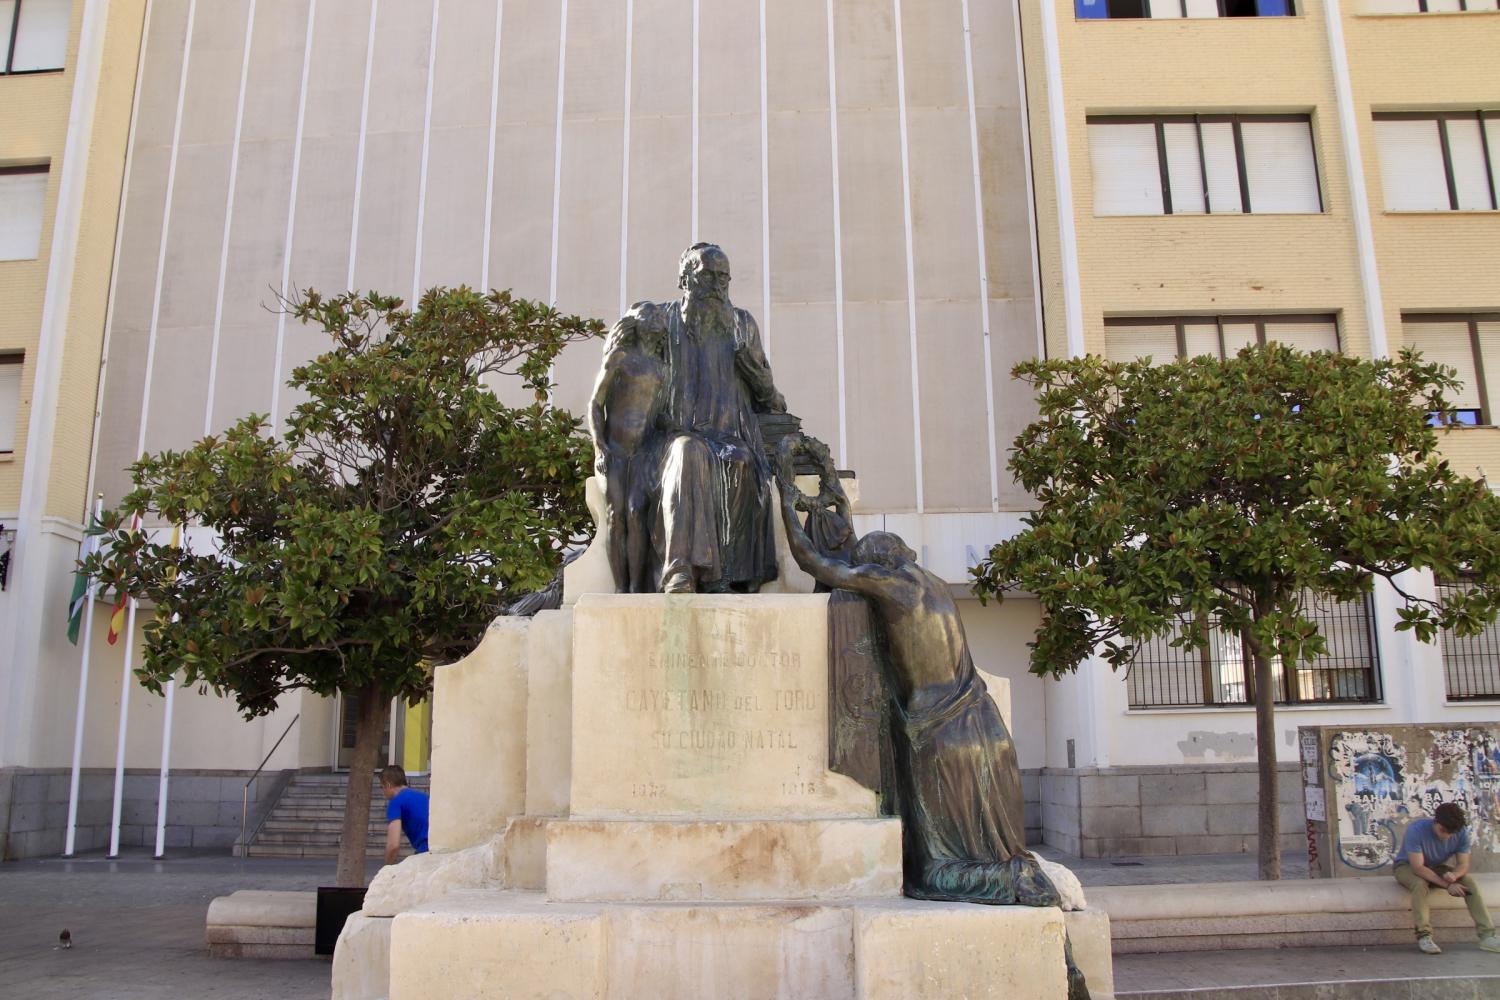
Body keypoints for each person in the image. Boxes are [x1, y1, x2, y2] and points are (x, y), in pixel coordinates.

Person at [588, 304, 670, 593]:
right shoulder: (620, 358)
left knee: (636, 513)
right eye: (651, 317)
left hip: (644, 452)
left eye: (660, 319)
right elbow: (596, 404)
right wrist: (600, 447)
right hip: (615, 450)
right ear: (638, 324)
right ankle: (621, 588)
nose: (658, 322)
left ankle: (637, 588)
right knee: (616, 516)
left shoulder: (663, 368)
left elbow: (662, 415)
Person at [1393, 802, 1499, 955]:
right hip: (1406, 866)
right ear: (1435, 821)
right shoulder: (1416, 830)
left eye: (1451, 833)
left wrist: (1454, 876)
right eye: (1443, 830)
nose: (1446, 836)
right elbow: (1418, 868)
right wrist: (1447, 885)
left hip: (1435, 867)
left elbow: (1463, 863)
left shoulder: (1461, 832)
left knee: (1468, 882)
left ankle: (1487, 936)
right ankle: (1424, 936)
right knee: (1420, 884)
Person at [379, 764, 429, 865]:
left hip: (425, 851)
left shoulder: (396, 802)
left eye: (382, 787)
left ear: (388, 785)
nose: (382, 791)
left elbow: (393, 845)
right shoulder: (424, 796)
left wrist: (386, 869)